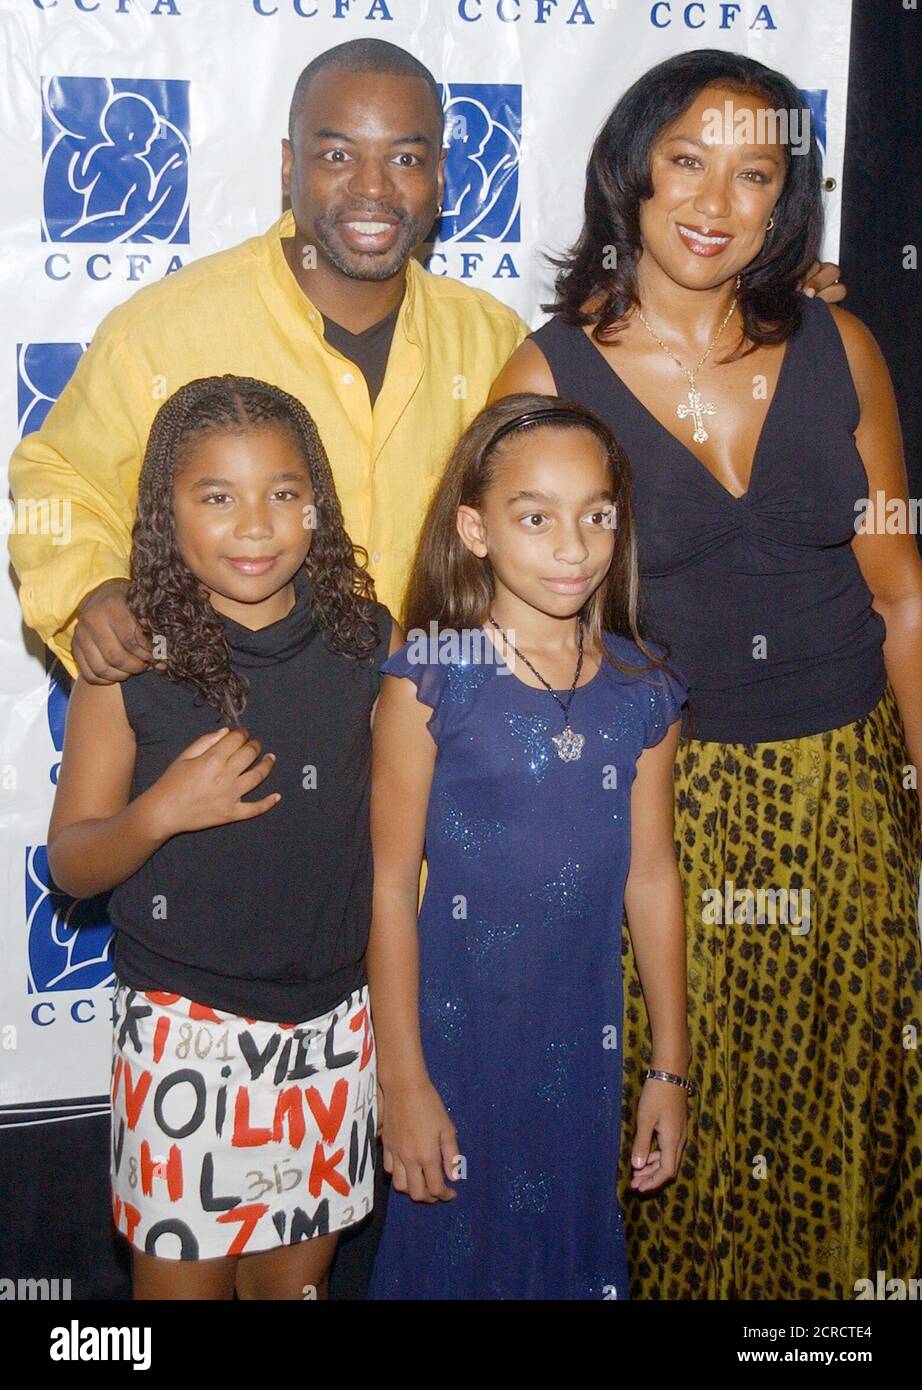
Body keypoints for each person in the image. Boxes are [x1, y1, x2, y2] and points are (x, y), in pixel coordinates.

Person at [491, 49, 922, 1300]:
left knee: (851, 1108)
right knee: (675, 1127)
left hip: (845, 801)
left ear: (788, 199)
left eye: (755, 172)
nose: (715, 201)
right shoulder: (545, 376)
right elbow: (525, 655)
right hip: (655, 814)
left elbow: (900, 594)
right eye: (687, 160)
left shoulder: (843, 345)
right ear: (631, 171)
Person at [8, 38, 529, 688]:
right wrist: (91, 589)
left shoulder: (493, 340)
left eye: (405, 157)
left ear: (442, 174)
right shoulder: (164, 330)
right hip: (232, 736)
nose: (372, 186)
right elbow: (63, 479)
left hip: (439, 742)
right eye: (337, 155)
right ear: (289, 167)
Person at [46, 376, 398, 1298]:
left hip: (332, 1027)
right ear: (167, 511)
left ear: (316, 504)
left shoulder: (367, 641)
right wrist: (162, 809)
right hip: (184, 1030)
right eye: (217, 497)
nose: (255, 526)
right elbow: (71, 863)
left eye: (284, 494)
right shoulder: (128, 658)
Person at [364, 393, 691, 1299]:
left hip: (583, 1050)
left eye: (597, 516)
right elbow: (389, 886)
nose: (574, 547)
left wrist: (671, 1064)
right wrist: (404, 1085)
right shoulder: (431, 680)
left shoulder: (645, 687)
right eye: (535, 517)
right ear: (474, 529)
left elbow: (652, 876)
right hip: (457, 1046)